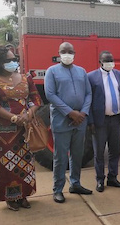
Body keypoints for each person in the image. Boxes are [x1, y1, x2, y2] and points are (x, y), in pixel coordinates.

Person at [0, 45, 42, 211]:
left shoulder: (26, 78)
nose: (13, 62)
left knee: (26, 163)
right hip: (2, 132)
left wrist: (29, 113)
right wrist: (12, 117)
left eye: (14, 59)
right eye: (8, 60)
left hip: (25, 129)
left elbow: (35, 99)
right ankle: (10, 198)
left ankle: (23, 195)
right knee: (6, 164)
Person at [45, 42, 93, 203]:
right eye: (64, 51)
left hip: (80, 121)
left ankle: (75, 183)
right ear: (58, 53)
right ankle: (57, 189)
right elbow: (50, 95)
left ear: (74, 53)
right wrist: (70, 113)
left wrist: (83, 113)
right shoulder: (52, 71)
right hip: (62, 121)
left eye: (70, 51)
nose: (67, 54)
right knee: (60, 158)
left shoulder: (81, 71)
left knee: (77, 155)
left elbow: (88, 93)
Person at [88, 51, 120, 192]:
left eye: (112, 60)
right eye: (107, 61)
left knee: (115, 151)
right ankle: (100, 180)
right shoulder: (91, 77)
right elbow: (89, 101)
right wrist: (90, 121)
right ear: (100, 62)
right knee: (99, 153)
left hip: (116, 119)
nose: (110, 63)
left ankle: (113, 177)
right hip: (100, 121)